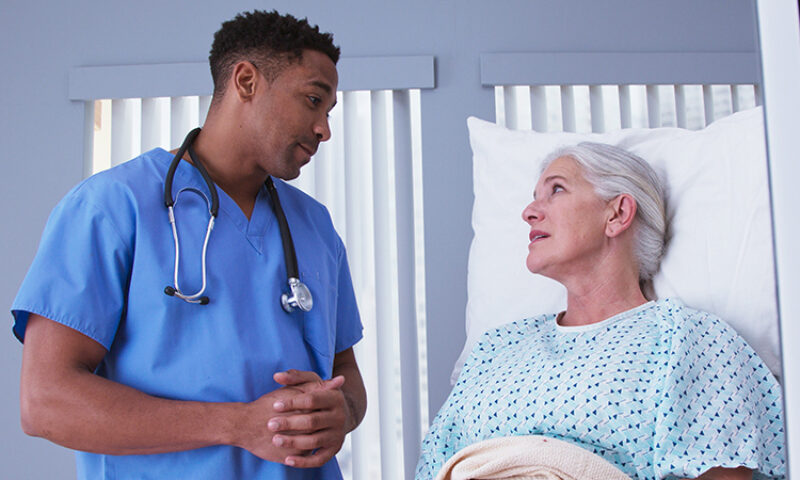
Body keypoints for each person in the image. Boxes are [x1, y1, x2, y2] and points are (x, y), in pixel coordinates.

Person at [13, 10, 366, 480]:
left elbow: (346, 371)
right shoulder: (111, 207)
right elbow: (46, 401)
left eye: (329, 112)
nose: (324, 129)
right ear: (246, 81)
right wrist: (238, 425)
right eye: (313, 100)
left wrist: (343, 411)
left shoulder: (314, 226)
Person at [416, 143, 786, 479]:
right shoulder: (497, 347)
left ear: (618, 213)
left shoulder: (690, 340)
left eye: (556, 190)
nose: (529, 212)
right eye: (533, 198)